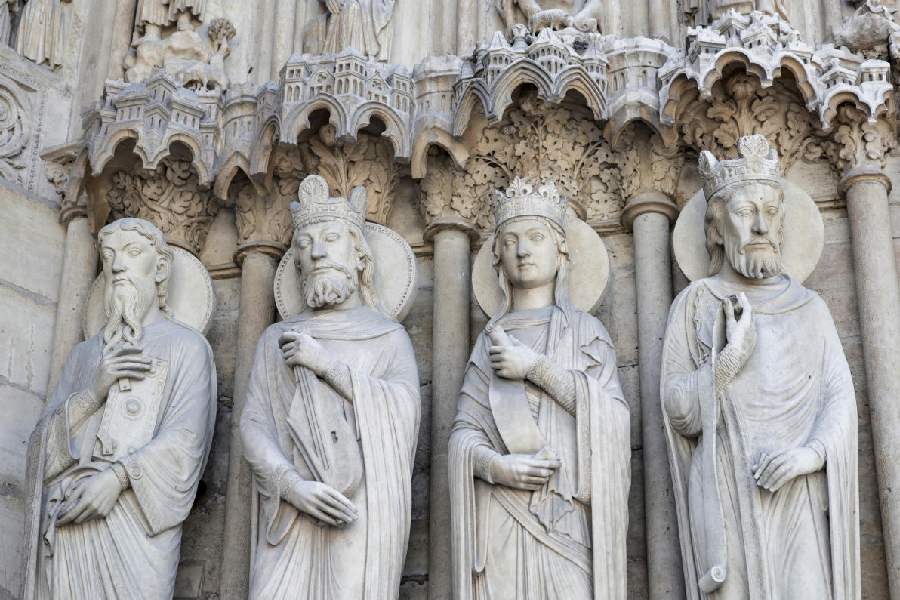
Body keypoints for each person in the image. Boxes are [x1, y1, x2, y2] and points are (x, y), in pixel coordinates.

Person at [661, 135, 859, 599]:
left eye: (770, 212)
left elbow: (839, 397)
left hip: (797, 492)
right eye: (745, 212)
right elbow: (677, 410)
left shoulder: (809, 307)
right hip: (727, 489)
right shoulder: (695, 303)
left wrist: (806, 456)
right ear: (715, 229)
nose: (760, 226)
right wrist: (729, 359)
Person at [449, 177, 630, 600]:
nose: (523, 251)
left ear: (561, 249)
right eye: (509, 241)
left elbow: (614, 420)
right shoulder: (489, 341)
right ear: (498, 257)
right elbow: (463, 433)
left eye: (535, 238)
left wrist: (535, 369)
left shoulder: (587, 332)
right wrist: (495, 467)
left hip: (565, 513)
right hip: (501, 514)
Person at [241, 174, 420, 600]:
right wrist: (290, 485)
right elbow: (253, 424)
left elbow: (405, 414)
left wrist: (325, 366)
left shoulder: (388, 336)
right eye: (304, 244)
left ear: (360, 254)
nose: (316, 252)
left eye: (331, 238)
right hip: (288, 512)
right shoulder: (275, 338)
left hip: (357, 509)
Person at [23, 217, 217, 600]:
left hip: (134, 524)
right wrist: (92, 393)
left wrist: (116, 479)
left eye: (132, 252)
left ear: (160, 267)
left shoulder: (186, 347)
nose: (117, 265)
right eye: (108, 254)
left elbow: (187, 440)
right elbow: (39, 451)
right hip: (70, 516)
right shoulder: (84, 355)